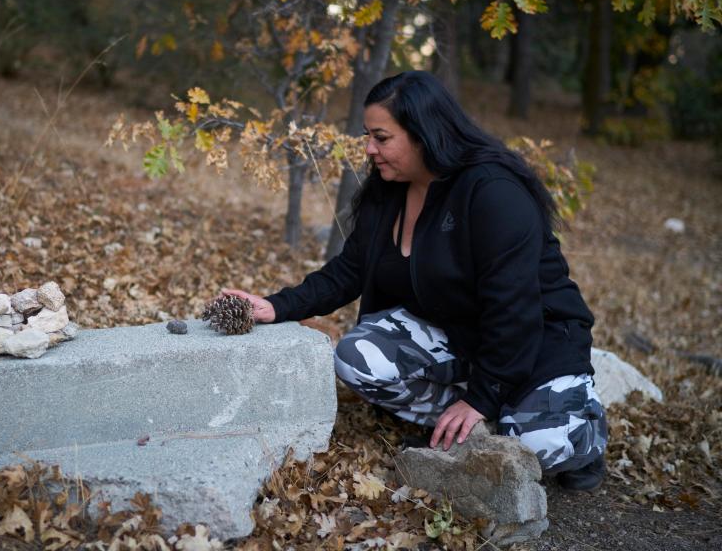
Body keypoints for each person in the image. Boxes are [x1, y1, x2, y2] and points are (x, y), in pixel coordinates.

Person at [224, 71, 607, 491]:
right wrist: (277, 306)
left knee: (541, 449)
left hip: (537, 343)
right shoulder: (389, 189)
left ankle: (580, 431)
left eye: (381, 138)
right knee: (357, 357)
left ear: (424, 133)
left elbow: (514, 309)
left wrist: (480, 397)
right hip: (461, 338)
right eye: (368, 136)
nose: (369, 149)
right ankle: (472, 422)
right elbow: (350, 269)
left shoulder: (493, 193)